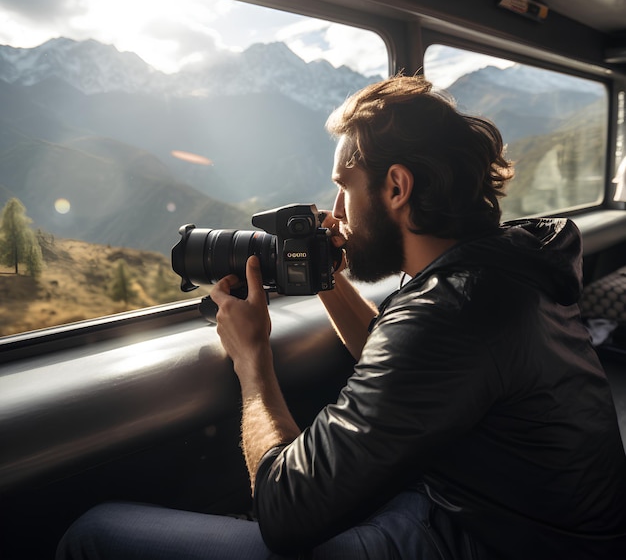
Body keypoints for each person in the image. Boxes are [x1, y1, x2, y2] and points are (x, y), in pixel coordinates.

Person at [57, 75, 626, 559]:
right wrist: (322, 276)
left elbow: (283, 512)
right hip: (511, 517)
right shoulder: (501, 266)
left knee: (94, 533)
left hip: (485, 540)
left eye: (343, 189)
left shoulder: (450, 310)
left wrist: (252, 359)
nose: (336, 214)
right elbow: (404, 358)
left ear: (397, 187)